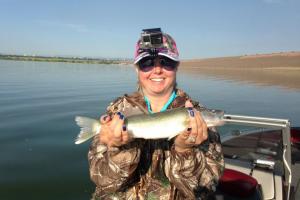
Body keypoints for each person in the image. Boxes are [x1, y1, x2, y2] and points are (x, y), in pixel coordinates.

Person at [88, 28, 224, 200]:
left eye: (166, 62)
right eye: (147, 63)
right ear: (137, 69)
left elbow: (205, 188)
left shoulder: (197, 117)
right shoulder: (117, 112)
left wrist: (184, 150)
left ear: (177, 67)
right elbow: (104, 183)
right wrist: (118, 149)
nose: (157, 70)